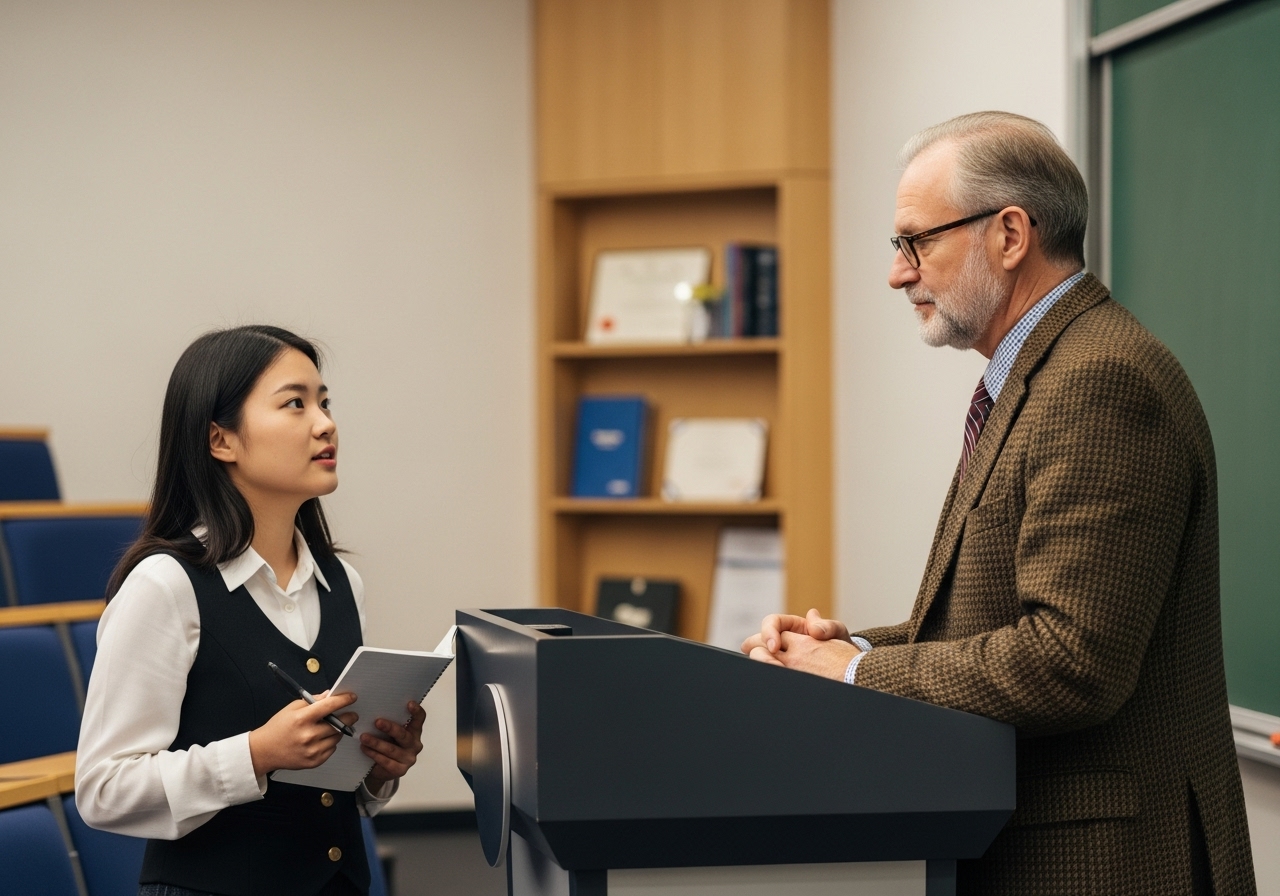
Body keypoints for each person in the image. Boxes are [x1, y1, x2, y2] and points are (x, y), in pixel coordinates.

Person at [743, 112, 1255, 894]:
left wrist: (853, 678)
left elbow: (1070, 661)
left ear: (1010, 235)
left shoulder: (1098, 381)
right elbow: (991, 625)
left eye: (917, 242)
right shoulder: (1038, 373)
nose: (898, 273)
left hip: (1106, 866)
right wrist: (849, 653)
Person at [76, 325, 424, 896]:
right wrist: (255, 754)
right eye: (295, 403)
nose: (325, 423)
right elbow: (103, 789)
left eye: (325, 402)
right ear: (222, 440)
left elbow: (337, 792)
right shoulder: (166, 586)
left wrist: (378, 768)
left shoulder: (342, 583)